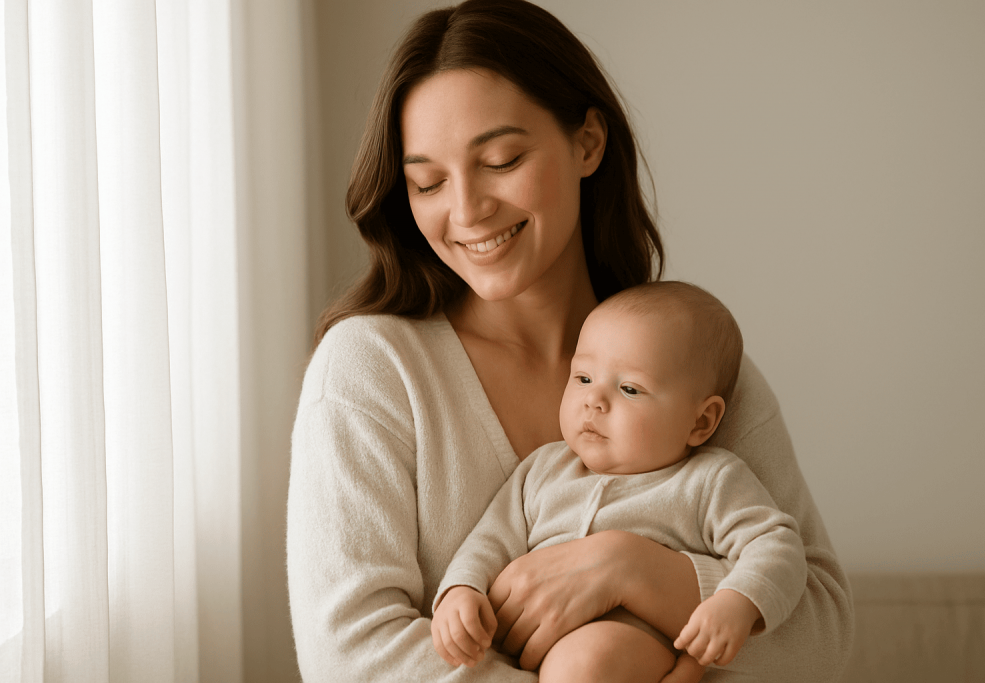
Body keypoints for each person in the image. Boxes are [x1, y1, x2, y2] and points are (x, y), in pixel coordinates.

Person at [286, 1, 854, 681]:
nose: (466, 210)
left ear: (587, 143)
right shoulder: (372, 369)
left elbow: (822, 636)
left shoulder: (691, 367)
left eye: (501, 160)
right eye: (427, 182)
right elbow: (350, 655)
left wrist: (631, 570)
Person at [431, 282, 808, 683]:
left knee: (585, 663)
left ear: (700, 421)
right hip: (528, 645)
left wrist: (737, 602)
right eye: (583, 378)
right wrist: (461, 590)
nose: (594, 400)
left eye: (629, 389)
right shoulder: (543, 468)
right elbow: (490, 540)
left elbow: (776, 545)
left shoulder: (709, 480)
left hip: (628, 646)